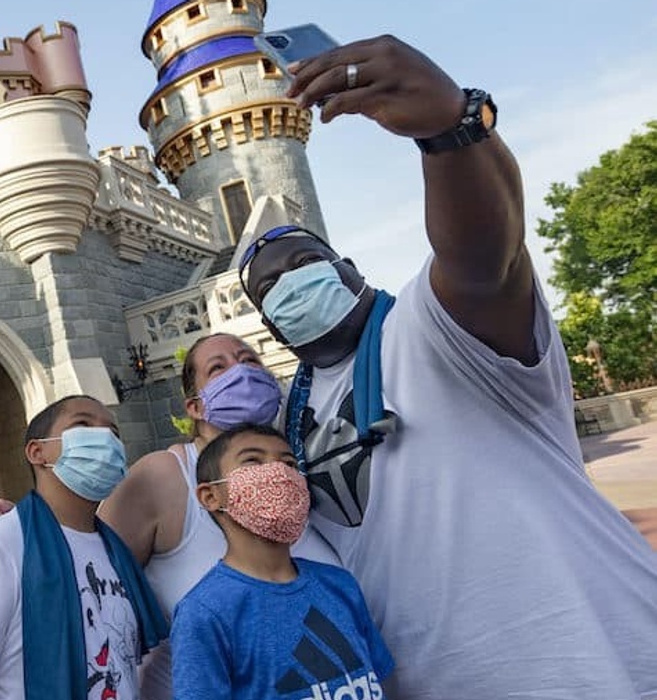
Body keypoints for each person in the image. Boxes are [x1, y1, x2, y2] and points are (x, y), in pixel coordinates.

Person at [236, 35, 657, 698]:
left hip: (599, 667)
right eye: (266, 291)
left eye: (301, 264)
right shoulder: (290, 415)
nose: (286, 284)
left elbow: (485, 260)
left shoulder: (430, 327)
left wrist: (450, 132)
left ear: (348, 270)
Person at [0, 334, 293, 699]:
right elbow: (82, 559)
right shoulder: (161, 477)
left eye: (250, 360)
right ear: (195, 407)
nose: (242, 374)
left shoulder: (298, 470)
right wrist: (24, 528)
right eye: (218, 368)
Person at [0, 395, 167, 700]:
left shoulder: (116, 551)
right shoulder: (2, 543)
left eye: (113, 432)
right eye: (82, 424)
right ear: (37, 451)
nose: (103, 438)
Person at [173, 423, 393, 700]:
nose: (279, 474)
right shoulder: (204, 612)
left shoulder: (340, 584)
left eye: (289, 464)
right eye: (253, 460)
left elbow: (379, 677)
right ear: (210, 496)